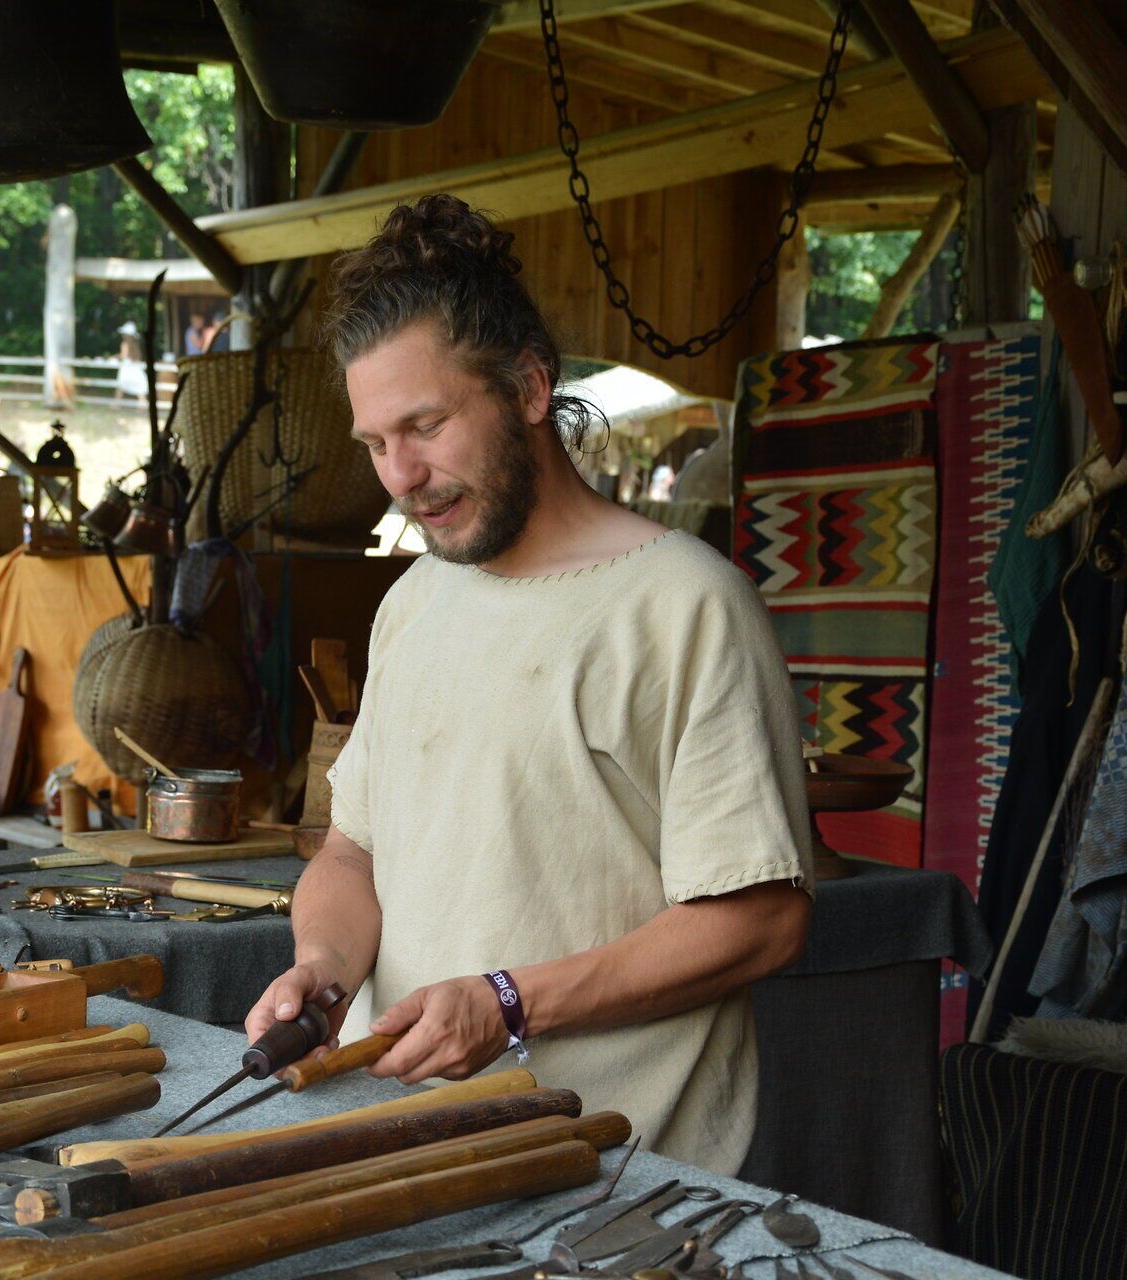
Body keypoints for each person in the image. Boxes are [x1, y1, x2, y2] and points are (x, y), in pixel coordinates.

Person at [245, 196, 812, 1175]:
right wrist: (325, 970)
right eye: (375, 442)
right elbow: (351, 854)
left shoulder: (686, 606)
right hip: (408, 1156)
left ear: (531, 385)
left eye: (424, 424)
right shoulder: (414, 602)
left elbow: (762, 918)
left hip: (618, 1175)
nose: (402, 475)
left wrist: (510, 1001)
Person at [114, 322, 149, 403]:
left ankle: (116, 404)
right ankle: (142, 404)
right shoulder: (136, 344)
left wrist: (115, 357)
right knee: (139, 387)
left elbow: (123, 356)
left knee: (121, 385)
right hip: (136, 367)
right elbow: (138, 356)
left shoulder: (125, 344)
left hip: (127, 367)